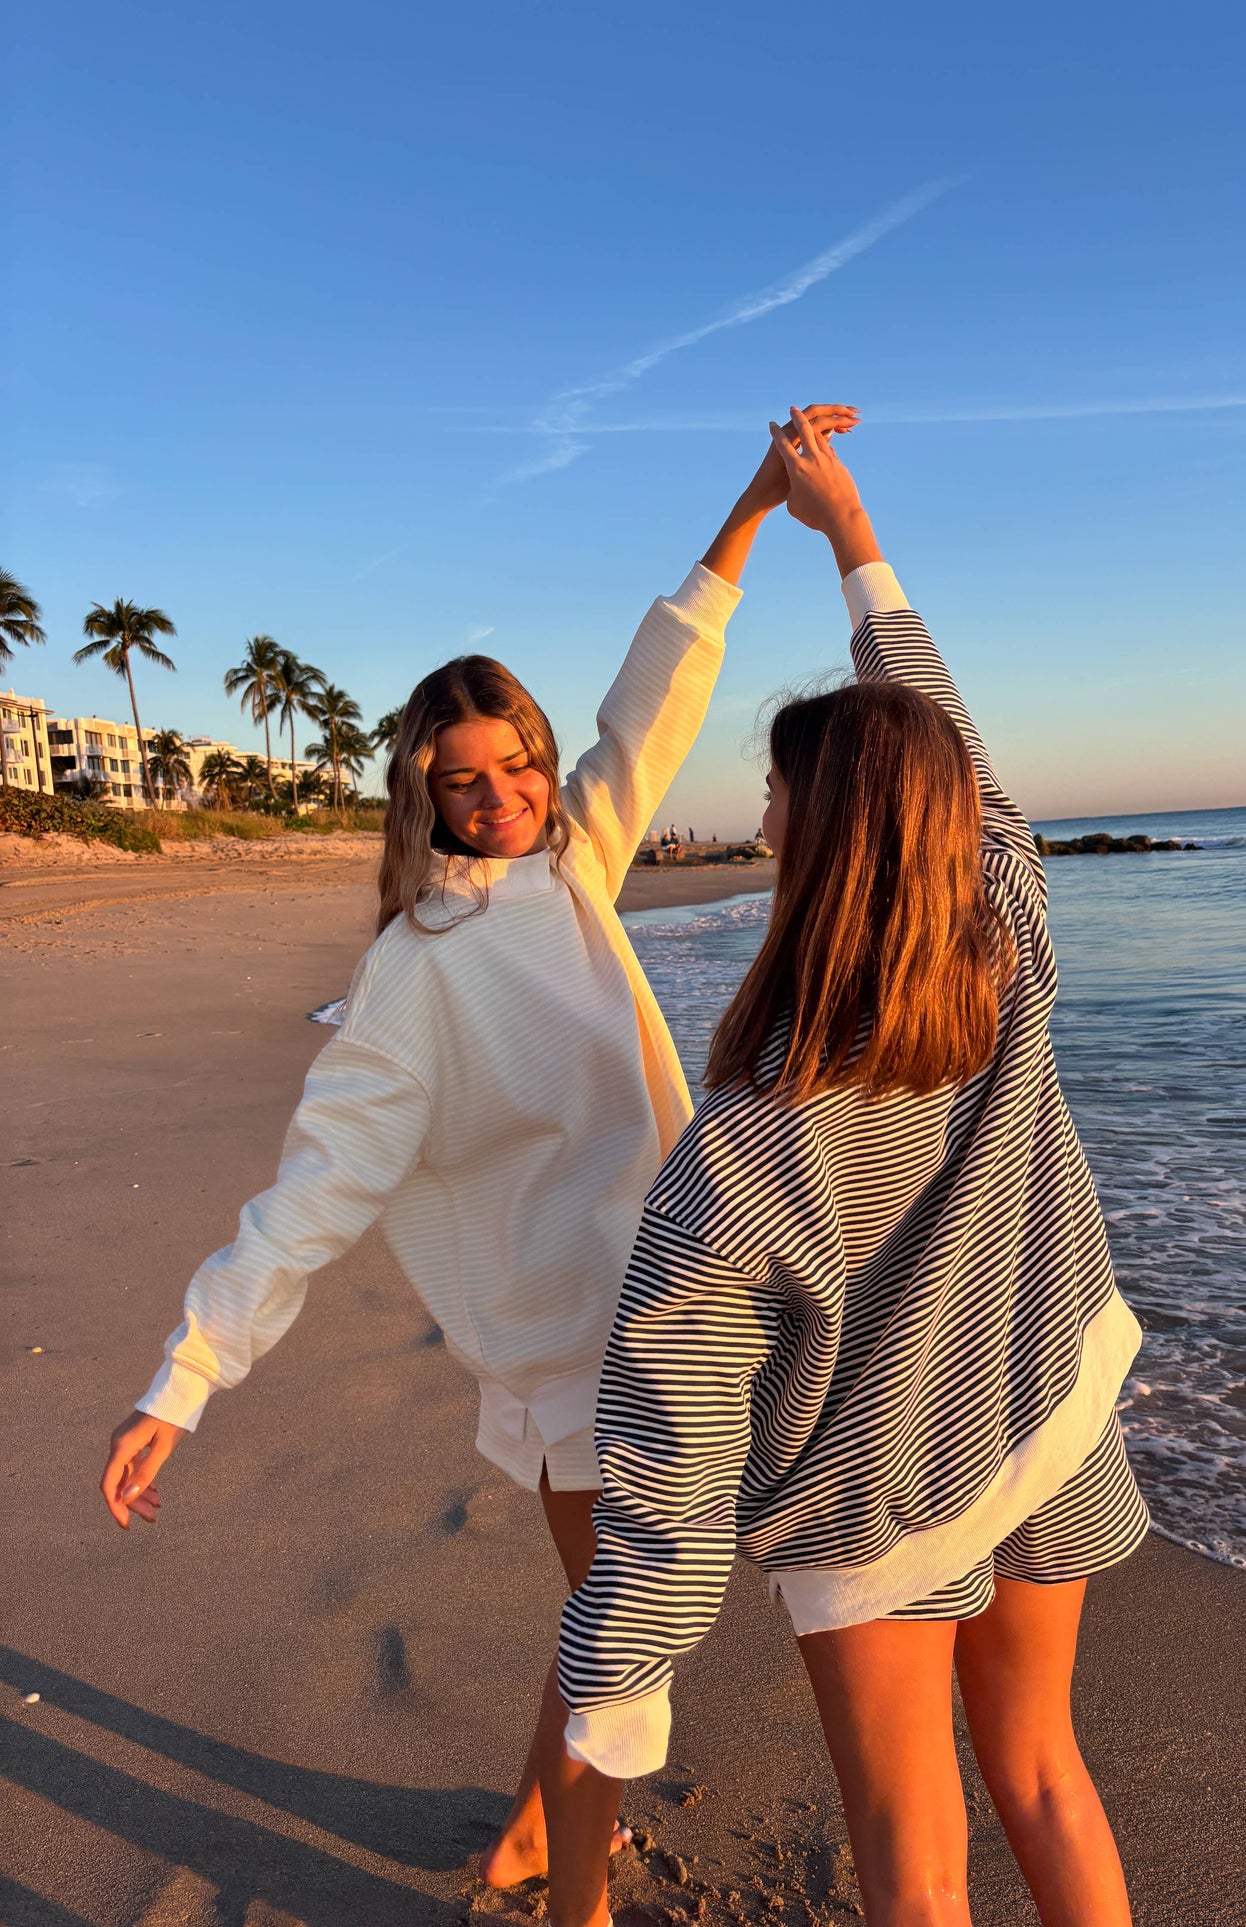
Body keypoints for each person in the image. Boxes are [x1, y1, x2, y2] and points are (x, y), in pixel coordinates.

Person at [97, 405, 860, 1889]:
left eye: (518, 762)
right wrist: (186, 1375)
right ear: (422, 795)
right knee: (617, 1657)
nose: (504, 794)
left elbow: (656, 701)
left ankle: (524, 1833)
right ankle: (568, 1902)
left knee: (606, 1627)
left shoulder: (577, 860)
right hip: (575, 1351)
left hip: (684, 1312)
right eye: (467, 778)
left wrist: (752, 512)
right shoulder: (413, 969)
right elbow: (317, 1189)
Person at [545, 412, 1147, 1927]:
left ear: (819, 840)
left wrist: (616, 1682)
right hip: (1046, 1418)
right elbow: (969, 766)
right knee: (1048, 1777)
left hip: (874, 1501)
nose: (755, 817)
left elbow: (668, 1461)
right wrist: (852, 538)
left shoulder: (746, 1133)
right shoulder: (1012, 954)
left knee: (910, 1844)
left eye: (775, 798)